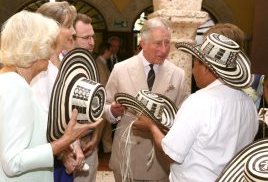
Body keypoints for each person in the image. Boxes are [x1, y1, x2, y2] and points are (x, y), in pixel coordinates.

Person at [0, 10, 102, 182]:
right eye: (49, 44)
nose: (52, 51)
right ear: (34, 48)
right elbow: (13, 162)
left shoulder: (0, 80)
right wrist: (64, 141)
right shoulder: (17, 88)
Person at [133, 33, 258, 182]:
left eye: (195, 64)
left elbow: (170, 153)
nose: (192, 71)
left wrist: (151, 126)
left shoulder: (199, 102)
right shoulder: (248, 102)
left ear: (206, 68)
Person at [104, 17, 188, 182]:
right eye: (158, 43)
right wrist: (112, 111)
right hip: (127, 158)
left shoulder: (178, 75)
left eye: (167, 43)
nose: (164, 50)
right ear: (142, 43)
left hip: (160, 162)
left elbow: (182, 117)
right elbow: (104, 107)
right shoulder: (121, 69)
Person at [31, 1, 82, 182]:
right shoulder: (37, 67)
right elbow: (40, 122)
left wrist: (76, 146)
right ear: (50, 29)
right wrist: (63, 154)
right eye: (68, 26)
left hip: (62, 154)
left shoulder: (65, 62)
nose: (74, 32)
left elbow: (66, 115)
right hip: (46, 159)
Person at [73, 13, 100, 182]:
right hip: (70, 151)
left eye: (93, 37)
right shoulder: (58, 69)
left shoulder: (90, 65)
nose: (92, 42)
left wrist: (96, 136)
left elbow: (95, 107)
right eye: (86, 38)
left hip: (90, 146)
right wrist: (76, 143)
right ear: (71, 38)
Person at [95, 42, 113, 154]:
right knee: (100, 127)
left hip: (107, 99)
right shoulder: (98, 63)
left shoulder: (104, 63)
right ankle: (94, 149)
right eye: (110, 51)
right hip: (101, 99)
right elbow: (102, 82)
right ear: (106, 51)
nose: (111, 53)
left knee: (107, 127)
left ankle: (108, 148)